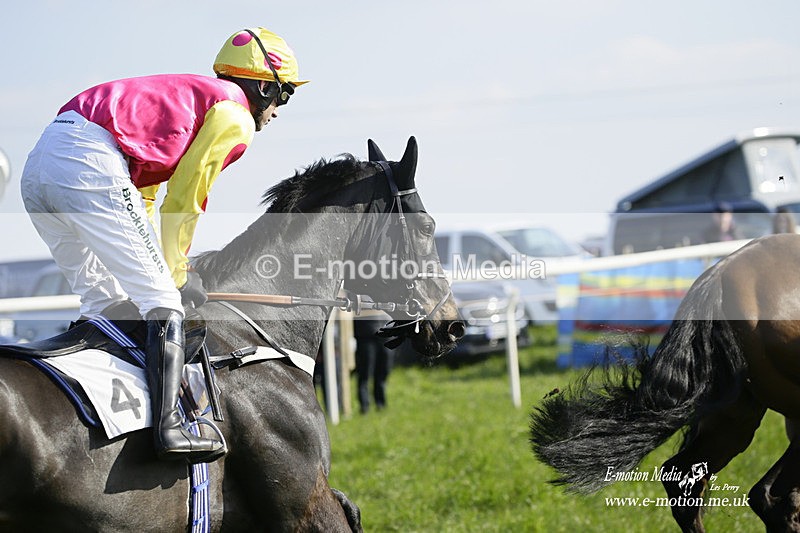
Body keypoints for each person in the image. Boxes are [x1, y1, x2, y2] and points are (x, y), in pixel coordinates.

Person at [20, 27, 308, 463]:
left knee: (105, 303)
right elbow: (187, 196)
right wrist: (176, 274)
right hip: (87, 161)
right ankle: (170, 428)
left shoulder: (198, 101)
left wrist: (162, 261)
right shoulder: (235, 116)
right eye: (283, 96)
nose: (278, 110)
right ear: (264, 85)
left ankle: (93, 420)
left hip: (42, 164)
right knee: (162, 302)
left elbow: (148, 194)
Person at [353, 314, 394, 414]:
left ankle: (381, 404)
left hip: (386, 335)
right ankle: (364, 406)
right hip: (365, 336)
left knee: (383, 372)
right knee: (365, 374)